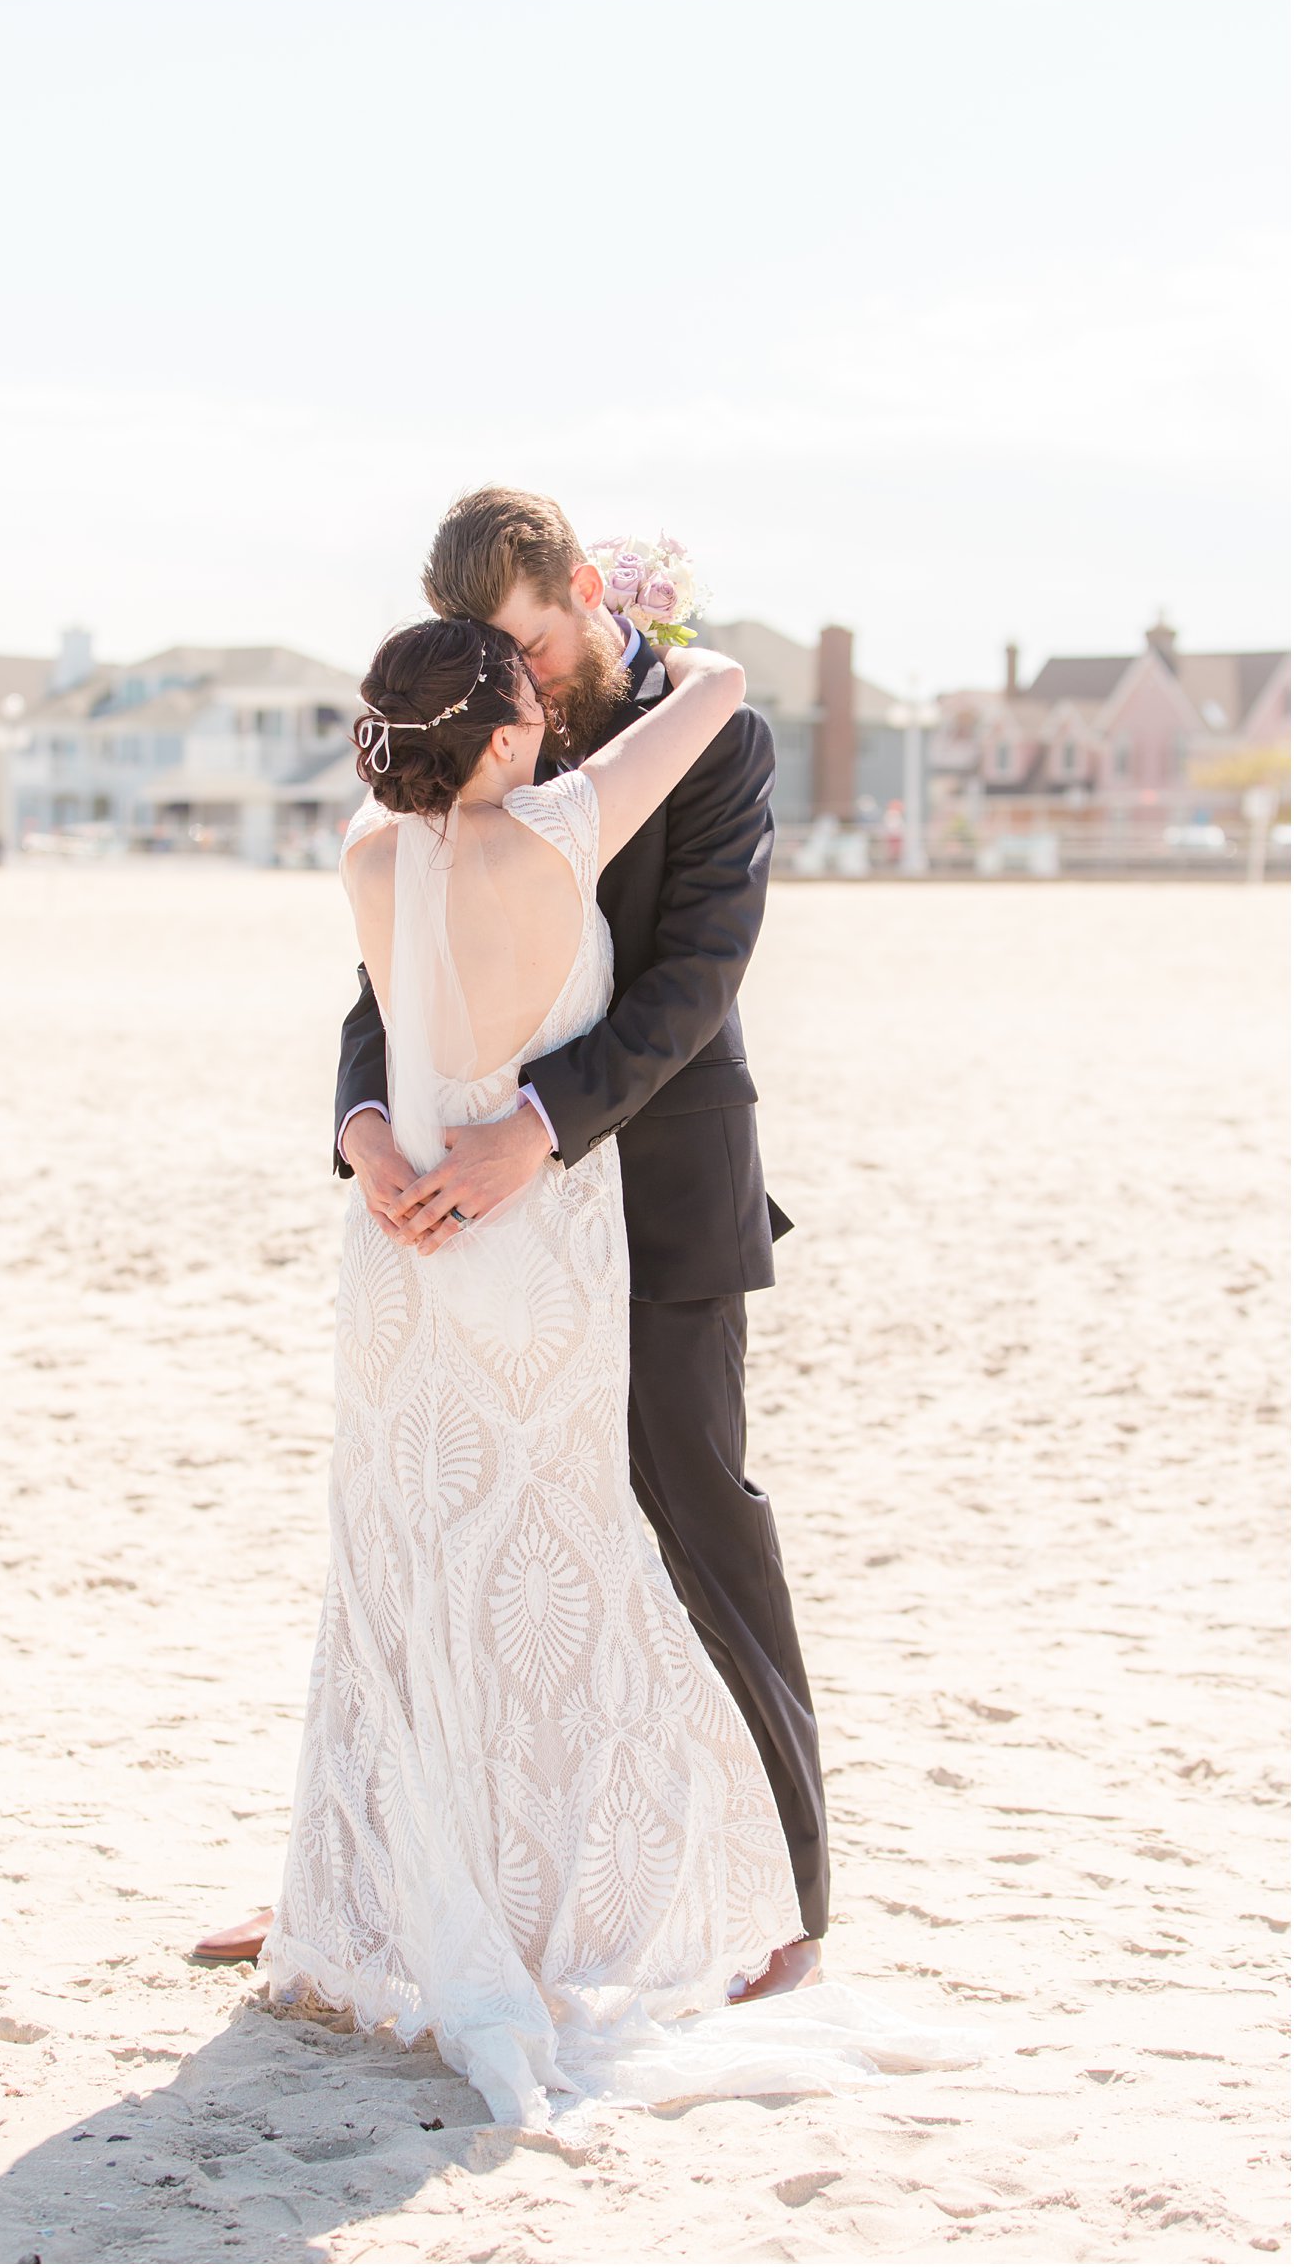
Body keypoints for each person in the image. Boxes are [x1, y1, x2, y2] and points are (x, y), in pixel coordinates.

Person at [228, 618, 980, 2128]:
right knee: (565, 1579)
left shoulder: (371, 855)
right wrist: (643, 615)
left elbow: (385, 1023)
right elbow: (716, 693)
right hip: (534, 1260)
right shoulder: (561, 827)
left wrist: (368, 1133)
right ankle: (581, 1910)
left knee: (409, 1578)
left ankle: (405, 1901)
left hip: (396, 1260)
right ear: (509, 734)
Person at [197, 489, 828, 1986]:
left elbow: (697, 978)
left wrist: (536, 1127)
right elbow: (388, 977)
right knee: (442, 1533)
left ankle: (789, 1899)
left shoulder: (706, 733)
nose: (524, 691)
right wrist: (363, 1132)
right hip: (459, 1209)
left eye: (538, 650)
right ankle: (374, 1886)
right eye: (501, 663)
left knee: (695, 1518)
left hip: (655, 1187)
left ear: (590, 592)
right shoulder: (486, 747)